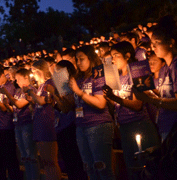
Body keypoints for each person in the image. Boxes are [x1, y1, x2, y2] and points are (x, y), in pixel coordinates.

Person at [102, 41, 160, 180]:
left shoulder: (136, 73)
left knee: (149, 166)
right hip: (124, 127)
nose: (113, 59)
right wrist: (109, 98)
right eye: (111, 56)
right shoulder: (114, 77)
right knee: (132, 168)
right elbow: (116, 105)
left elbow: (137, 105)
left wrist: (114, 98)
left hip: (140, 125)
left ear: (127, 55)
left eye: (116, 55)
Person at [68, 45, 115, 180]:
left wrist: (79, 92)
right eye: (76, 60)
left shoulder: (98, 75)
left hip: (98, 125)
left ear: (91, 58)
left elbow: (101, 103)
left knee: (103, 168)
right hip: (81, 126)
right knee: (89, 168)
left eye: (81, 59)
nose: (78, 63)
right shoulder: (79, 78)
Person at [134, 16, 177, 141]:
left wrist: (151, 100)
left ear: (171, 42)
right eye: (152, 44)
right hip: (165, 127)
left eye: (157, 43)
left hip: (176, 129)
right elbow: (165, 97)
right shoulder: (165, 68)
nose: (153, 47)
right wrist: (147, 92)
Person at [2, 68, 39, 180]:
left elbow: (19, 104)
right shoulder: (18, 91)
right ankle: (28, 176)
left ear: (26, 77)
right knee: (24, 156)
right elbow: (14, 108)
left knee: (31, 154)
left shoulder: (30, 90)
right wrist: (7, 106)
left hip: (27, 124)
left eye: (18, 79)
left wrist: (7, 95)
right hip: (18, 124)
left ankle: (34, 177)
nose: (16, 81)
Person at [0, 65, 21, 180]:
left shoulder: (9, 87)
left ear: (2, 75)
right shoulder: (0, 87)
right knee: (4, 157)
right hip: (0, 126)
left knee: (10, 157)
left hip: (7, 126)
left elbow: (4, 108)